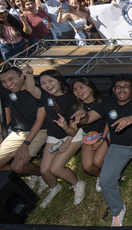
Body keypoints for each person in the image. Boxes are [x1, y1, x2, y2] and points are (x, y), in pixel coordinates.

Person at [71, 74, 132, 227]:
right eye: (118, 87)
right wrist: (82, 116)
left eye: (125, 86)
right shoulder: (108, 103)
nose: (121, 90)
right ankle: (117, 210)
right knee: (105, 180)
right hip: (119, 145)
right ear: (113, 90)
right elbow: (89, 118)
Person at [24, 67, 85, 208]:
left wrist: (67, 142)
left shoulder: (71, 97)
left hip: (73, 134)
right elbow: (30, 88)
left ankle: (77, 184)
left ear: (59, 80)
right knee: (44, 170)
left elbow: (74, 126)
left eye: (51, 81)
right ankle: (54, 187)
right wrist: (28, 74)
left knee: (56, 169)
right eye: (43, 83)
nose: (47, 85)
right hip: (54, 136)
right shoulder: (44, 95)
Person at [72, 78, 108, 192]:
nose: (78, 91)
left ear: (91, 88)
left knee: (98, 161)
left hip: (106, 132)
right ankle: (102, 176)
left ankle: (112, 177)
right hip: (88, 136)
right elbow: (74, 128)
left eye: (81, 87)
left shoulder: (104, 101)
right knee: (87, 166)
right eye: (75, 89)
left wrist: (102, 139)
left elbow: (110, 121)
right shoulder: (76, 107)